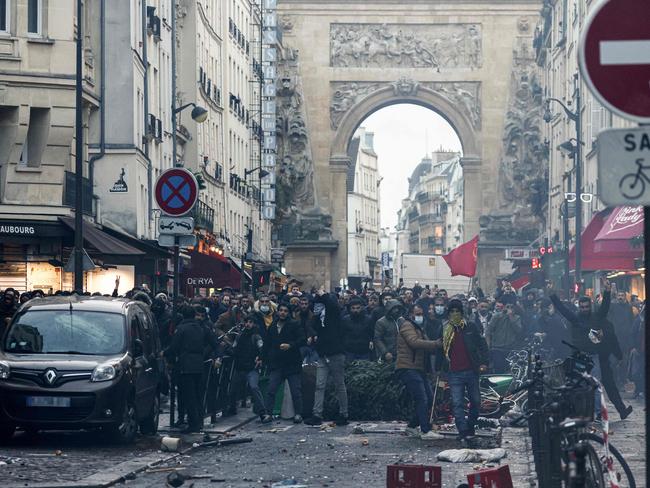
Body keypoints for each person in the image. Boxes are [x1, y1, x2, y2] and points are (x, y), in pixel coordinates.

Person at [550, 280, 633, 420]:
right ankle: (592, 412)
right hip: (582, 357)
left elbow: (605, 309)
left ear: (590, 306)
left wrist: (607, 292)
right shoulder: (576, 319)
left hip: (599, 356)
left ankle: (618, 410)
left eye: (586, 306)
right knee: (588, 386)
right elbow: (563, 310)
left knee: (607, 385)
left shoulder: (598, 318)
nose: (584, 309)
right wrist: (552, 295)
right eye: (582, 307)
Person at [164, 304, 220, 433]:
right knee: (198, 395)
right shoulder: (201, 328)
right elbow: (214, 343)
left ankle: (193, 423)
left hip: (185, 365)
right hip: (199, 364)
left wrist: (165, 353)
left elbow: (174, 347)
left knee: (189, 396)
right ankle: (198, 421)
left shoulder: (182, 328)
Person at [442, 299, 489, 443]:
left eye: (457, 311)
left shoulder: (470, 327)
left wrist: (484, 362)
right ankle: (463, 431)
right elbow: (440, 350)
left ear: (462, 313)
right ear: (449, 314)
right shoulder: (445, 329)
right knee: (457, 403)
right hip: (454, 372)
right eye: (452, 312)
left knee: (475, 401)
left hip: (471, 371)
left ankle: (470, 427)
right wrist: (439, 370)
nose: (455, 314)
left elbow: (482, 345)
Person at [396, 304, 443, 440]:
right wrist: (436, 344)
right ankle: (425, 430)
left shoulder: (418, 328)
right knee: (422, 398)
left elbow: (427, 343)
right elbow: (414, 342)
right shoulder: (407, 326)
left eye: (421, 314)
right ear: (411, 314)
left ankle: (412, 426)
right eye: (417, 314)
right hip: (408, 367)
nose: (420, 316)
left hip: (418, 368)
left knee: (427, 399)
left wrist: (436, 345)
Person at [306, 290, 349, 426]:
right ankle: (317, 414)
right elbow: (311, 327)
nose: (317, 308)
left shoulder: (334, 315)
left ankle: (344, 413)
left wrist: (323, 295)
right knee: (320, 385)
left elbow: (333, 306)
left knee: (339, 385)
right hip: (323, 354)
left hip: (335, 354)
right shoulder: (318, 319)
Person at [261, 303, 305, 424]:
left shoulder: (294, 324)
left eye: (285, 311)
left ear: (288, 313)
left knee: (295, 390)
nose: (282, 313)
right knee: (271, 389)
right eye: (281, 310)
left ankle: (298, 413)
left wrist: (290, 345)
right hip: (277, 363)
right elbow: (267, 343)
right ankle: (268, 413)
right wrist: (262, 358)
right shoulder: (273, 325)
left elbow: (302, 339)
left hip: (292, 363)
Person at [230, 315, 270, 422]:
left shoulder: (256, 337)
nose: (248, 324)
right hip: (240, 367)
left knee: (254, 388)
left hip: (251, 368)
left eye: (250, 322)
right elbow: (234, 348)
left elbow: (262, 349)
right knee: (233, 389)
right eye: (246, 322)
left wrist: (260, 358)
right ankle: (231, 409)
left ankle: (263, 412)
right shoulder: (239, 336)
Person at [607, 291, 636, 386]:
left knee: (624, 361)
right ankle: (615, 380)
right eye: (619, 295)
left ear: (625, 297)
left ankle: (623, 380)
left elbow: (631, 322)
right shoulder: (613, 307)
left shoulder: (629, 308)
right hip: (615, 338)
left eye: (622, 295)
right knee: (614, 361)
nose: (620, 297)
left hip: (625, 339)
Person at [486, 299, 523, 373]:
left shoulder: (517, 318)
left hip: (510, 348)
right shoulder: (497, 316)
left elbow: (518, 330)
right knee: (499, 369)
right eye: (508, 306)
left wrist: (511, 317)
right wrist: (488, 345)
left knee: (510, 370)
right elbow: (488, 331)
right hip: (497, 348)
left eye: (511, 307)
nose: (509, 309)